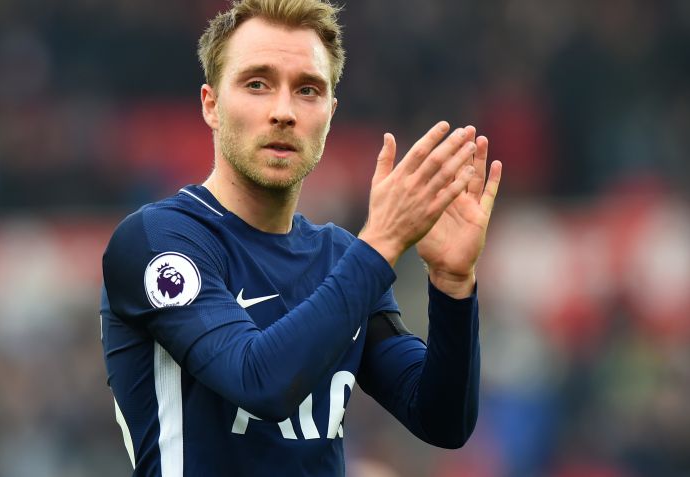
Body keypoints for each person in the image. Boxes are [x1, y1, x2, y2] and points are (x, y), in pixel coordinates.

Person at [99, 0, 502, 475]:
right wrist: (382, 242)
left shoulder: (339, 257)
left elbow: (442, 420)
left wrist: (452, 285)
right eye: (257, 84)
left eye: (308, 90)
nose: (284, 112)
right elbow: (258, 382)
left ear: (330, 112)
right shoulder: (158, 241)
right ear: (211, 104)